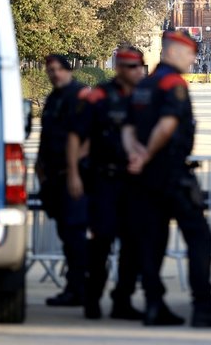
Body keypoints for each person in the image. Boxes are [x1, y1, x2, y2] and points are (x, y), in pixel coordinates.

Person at [122, 30, 211, 328]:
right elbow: (168, 124)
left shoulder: (144, 85)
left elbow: (127, 128)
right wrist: (147, 154)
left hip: (145, 177)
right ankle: (203, 306)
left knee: (153, 241)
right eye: (189, 54)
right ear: (174, 52)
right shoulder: (173, 85)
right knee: (199, 237)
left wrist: (135, 154)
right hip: (171, 173)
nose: (193, 59)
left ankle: (153, 305)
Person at [68, 47, 147, 320]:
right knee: (100, 243)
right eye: (132, 67)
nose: (138, 71)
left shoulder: (143, 97)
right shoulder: (99, 96)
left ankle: (122, 301)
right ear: (119, 68)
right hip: (104, 181)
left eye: (140, 66)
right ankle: (92, 299)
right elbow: (76, 136)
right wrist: (74, 174)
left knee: (132, 245)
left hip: (133, 182)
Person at [35, 53, 90, 307]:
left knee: (75, 233)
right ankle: (75, 287)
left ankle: (79, 288)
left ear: (68, 70)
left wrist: (74, 172)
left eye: (58, 69)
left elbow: (86, 139)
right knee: (66, 234)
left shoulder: (78, 95)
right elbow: (47, 136)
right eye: (50, 70)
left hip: (73, 177)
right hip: (54, 176)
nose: (54, 74)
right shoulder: (54, 97)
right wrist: (40, 168)